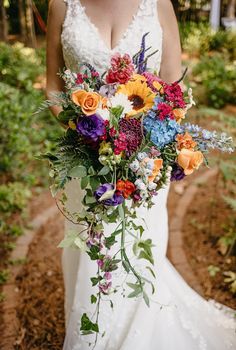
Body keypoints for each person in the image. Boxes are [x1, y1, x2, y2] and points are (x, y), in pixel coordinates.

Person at [46, 1, 236, 349]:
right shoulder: (62, 4)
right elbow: (52, 88)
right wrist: (88, 130)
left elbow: (173, 89)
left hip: (144, 165)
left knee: (138, 252)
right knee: (88, 254)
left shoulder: (157, 4)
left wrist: (143, 148)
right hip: (86, 161)